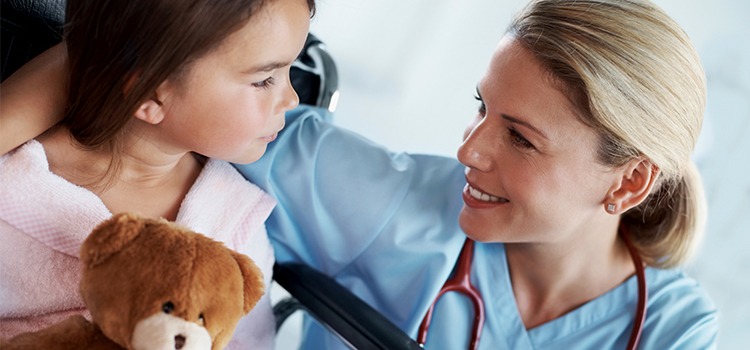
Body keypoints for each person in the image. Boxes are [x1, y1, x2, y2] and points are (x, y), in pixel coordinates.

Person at [1, 0, 718, 349]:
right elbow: (170, 81)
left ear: (626, 184)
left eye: (520, 139)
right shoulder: (397, 202)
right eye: (481, 109)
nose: (468, 150)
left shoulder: (676, 334)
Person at [0, 0, 315, 348]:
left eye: (290, 71)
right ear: (149, 94)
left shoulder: (236, 220)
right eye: (265, 79)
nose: (292, 98)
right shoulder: (13, 186)